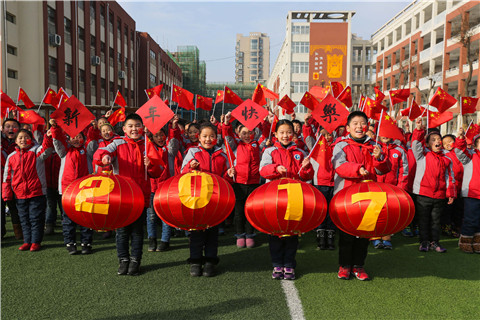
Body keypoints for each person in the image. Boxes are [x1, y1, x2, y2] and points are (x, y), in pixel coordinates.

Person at [94, 114, 162, 276]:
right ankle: (123, 259)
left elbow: (157, 171)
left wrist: (150, 164)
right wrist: (105, 158)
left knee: (137, 231)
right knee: (122, 231)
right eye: (130, 126)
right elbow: (102, 152)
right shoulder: (117, 143)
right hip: (121, 197)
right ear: (124, 129)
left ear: (143, 128)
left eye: (137, 125)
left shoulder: (147, 144)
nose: (134, 129)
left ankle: (135, 260)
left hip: (140, 196)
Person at [331, 111, 390, 281]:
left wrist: (379, 158)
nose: (359, 126)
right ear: (348, 127)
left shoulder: (374, 145)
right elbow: (339, 166)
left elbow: (382, 169)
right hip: (346, 197)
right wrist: (357, 169)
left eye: (362, 123)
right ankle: (344, 265)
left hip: (368, 195)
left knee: (364, 234)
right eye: (355, 123)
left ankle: (359, 265)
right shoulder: (341, 145)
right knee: (347, 234)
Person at [260, 119, 314, 280]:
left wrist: (306, 168)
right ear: (275, 134)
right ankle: (277, 263)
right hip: (274, 197)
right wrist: (276, 169)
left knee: (292, 232)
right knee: (275, 232)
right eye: (282, 132)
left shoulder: (300, 152)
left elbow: (307, 177)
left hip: (294, 196)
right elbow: (263, 171)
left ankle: (289, 264)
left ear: (293, 134)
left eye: (289, 132)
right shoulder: (269, 151)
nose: (285, 135)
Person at [181, 123, 235, 277]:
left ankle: (210, 261)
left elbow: (225, 180)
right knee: (197, 232)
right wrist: (191, 167)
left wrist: (229, 175)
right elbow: (182, 172)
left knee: (212, 232)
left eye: (212, 136)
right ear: (198, 137)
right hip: (197, 199)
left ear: (216, 138)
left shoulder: (222, 154)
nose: (208, 139)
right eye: (204, 136)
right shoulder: (193, 152)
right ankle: (196, 261)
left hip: (215, 200)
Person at [2, 129, 53, 251]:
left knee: (36, 218)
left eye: (26, 137)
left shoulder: (36, 151)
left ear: (31, 139)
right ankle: (27, 241)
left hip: (36, 192)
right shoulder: (11, 157)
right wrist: (6, 194)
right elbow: (7, 177)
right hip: (19, 194)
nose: (23, 140)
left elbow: (47, 147)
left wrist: (48, 136)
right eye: (20, 138)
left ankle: (35, 242)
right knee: (24, 219)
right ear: (15, 141)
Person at [50, 119, 95, 255]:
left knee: (85, 217)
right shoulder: (64, 152)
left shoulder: (87, 152)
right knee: (68, 219)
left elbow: (93, 142)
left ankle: (86, 243)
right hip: (67, 190)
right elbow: (56, 141)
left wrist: (93, 129)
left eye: (79, 136)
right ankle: (70, 243)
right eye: (73, 137)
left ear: (83, 138)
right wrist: (55, 128)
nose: (76, 139)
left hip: (85, 190)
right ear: (68, 140)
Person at [411, 121, 455, 253]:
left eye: (438, 139)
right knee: (423, 220)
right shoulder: (422, 154)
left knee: (436, 221)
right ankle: (424, 242)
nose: (437, 142)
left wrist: (450, 193)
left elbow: (450, 177)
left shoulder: (447, 159)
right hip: (423, 194)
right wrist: (418, 130)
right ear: (427, 143)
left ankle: (435, 242)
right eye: (433, 139)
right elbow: (416, 144)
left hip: (440, 195)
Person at [223, 112, 262, 248]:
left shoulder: (259, 146)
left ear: (254, 133)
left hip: (254, 183)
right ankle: (240, 235)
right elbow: (227, 137)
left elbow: (267, 132)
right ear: (238, 134)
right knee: (239, 212)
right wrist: (227, 123)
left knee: (250, 211)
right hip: (238, 183)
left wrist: (268, 121)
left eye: (250, 132)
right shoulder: (235, 146)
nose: (247, 135)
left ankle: (250, 235)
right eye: (244, 133)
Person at [147, 116, 181, 252]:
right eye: (156, 136)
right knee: (151, 216)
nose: (159, 138)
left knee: (165, 215)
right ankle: (152, 239)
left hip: (166, 188)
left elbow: (174, 143)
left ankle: (165, 240)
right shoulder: (148, 149)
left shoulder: (169, 149)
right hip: (151, 187)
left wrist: (173, 127)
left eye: (162, 135)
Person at [371, 135, 409, 249]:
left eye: (388, 133)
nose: (385, 136)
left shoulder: (400, 150)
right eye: (382, 132)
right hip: (375, 185)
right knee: (374, 212)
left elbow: (404, 170)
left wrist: (401, 188)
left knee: (389, 213)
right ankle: (375, 237)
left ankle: (387, 237)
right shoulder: (373, 147)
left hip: (392, 188)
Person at [310, 128, 336, 250]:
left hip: (334, 184)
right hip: (320, 183)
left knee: (331, 211)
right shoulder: (316, 148)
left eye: (329, 134)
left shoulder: (337, 148)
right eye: (323, 135)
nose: (326, 137)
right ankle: (320, 235)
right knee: (321, 210)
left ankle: (330, 235)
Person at [454, 131, 480, 253]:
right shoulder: (470, 156)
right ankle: (465, 241)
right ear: (475, 146)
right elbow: (459, 151)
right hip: (472, 193)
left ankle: (477, 242)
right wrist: (460, 138)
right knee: (471, 219)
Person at [1, 118, 23, 240]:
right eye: (7, 126)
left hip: (16, 181)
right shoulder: (1, 142)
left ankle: (19, 232)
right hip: (2, 181)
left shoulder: (22, 141)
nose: (10, 129)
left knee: (15, 208)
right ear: (3, 130)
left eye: (14, 126)